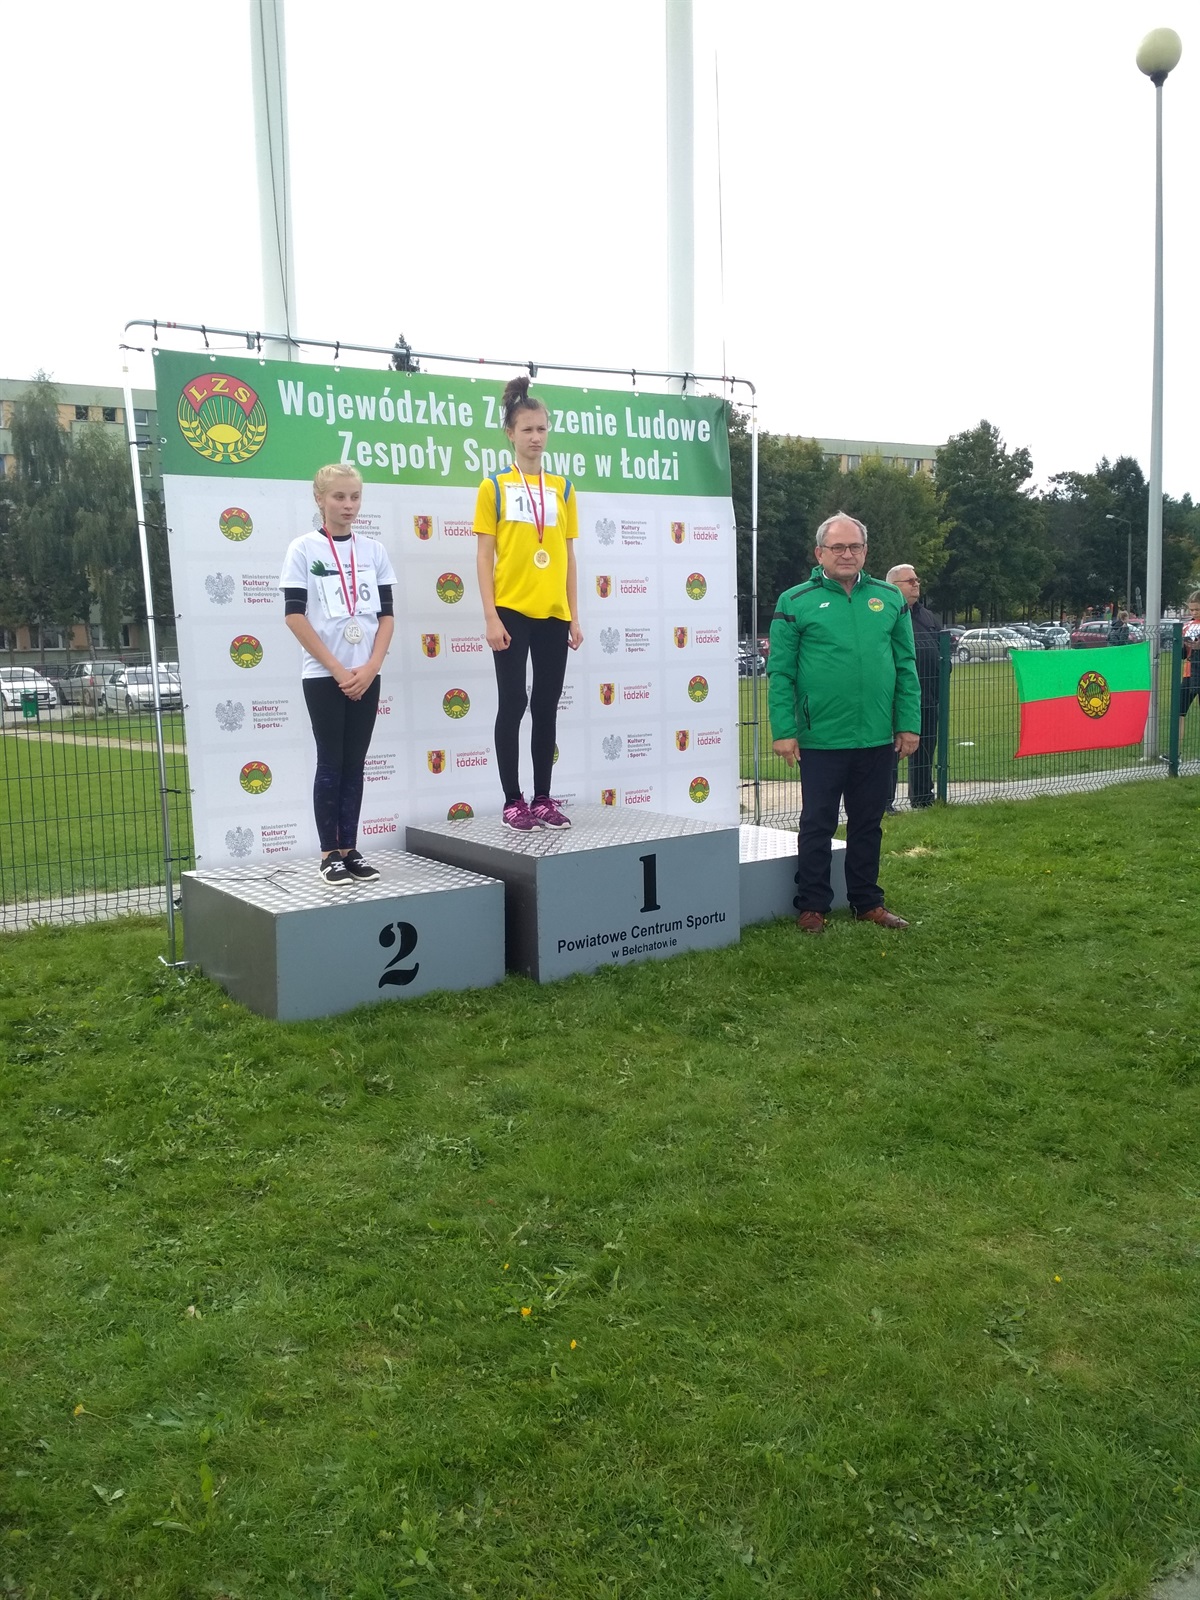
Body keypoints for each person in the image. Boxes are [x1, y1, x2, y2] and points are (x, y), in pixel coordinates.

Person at [768, 512, 921, 933]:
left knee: (868, 823)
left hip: (876, 736)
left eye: (854, 546)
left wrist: (908, 723)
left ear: (865, 551)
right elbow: (780, 672)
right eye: (838, 547)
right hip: (820, 737)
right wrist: (784, 731)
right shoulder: (794, 601)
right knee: (817, 823)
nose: (847, 554)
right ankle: (812, 905)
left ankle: (867, 902)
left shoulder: (889, 599)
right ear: (819, 553)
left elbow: (906, 665)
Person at [474, 376, 583, 831]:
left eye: (541, 429)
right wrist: (490, 615)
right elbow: (484, 555)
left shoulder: (563, 488)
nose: (536, 437)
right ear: (510, 434)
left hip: (554, 613)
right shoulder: (494, 486)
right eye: (527, 430)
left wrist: (574, 616)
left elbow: (568, 556)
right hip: (511, 611)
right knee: (513, 702)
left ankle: (542, 798)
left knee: (546, 705)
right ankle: (512, 800)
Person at [279, 464, 396, 886]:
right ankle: (329, 854)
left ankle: (350, 849)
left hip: (366, 674)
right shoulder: (303, 549)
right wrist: (337, 669)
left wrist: (372, 666)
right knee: (331, 762)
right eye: (339, 497)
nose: (349, 505)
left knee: (355, 763)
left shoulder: (373, 551)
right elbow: (294, 616)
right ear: (320, 499)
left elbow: (386, 617)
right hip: (324, 675)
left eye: (355, 497)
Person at [885, 563, 944, 810]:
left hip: (928, 696)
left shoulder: (927, 616)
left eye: (917, 580)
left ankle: (922, 797)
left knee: (925, 748)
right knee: (891, 751)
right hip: (895, 698)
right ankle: (884, 802)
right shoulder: (884, 614)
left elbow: (941, 648)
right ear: (892, 586)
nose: (916, 584)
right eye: (910, 581)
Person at [1179, 592, 1200, 751]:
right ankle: (1176, 751)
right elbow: (1182, 654)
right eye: (1191, 609)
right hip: (1188, 673)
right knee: (1179, 711)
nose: (1194, 612)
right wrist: (1183, 645)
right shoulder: (1187, 626)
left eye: (1197, 609)